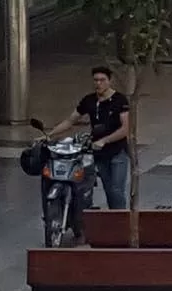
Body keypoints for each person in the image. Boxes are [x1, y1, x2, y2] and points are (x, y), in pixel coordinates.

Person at [51, 66, 131, 209]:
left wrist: (104, 140)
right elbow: (71, 120)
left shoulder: (120, 100)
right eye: (96, 80)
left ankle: (119, 222)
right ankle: (114, 216)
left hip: (118, 152)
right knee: (108, 188)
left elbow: (125, 128)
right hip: (99, 153)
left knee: (116, 189)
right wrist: (50, 134)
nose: (98, 83)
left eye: (102, 80)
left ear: (109, 81)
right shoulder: (89, 100)